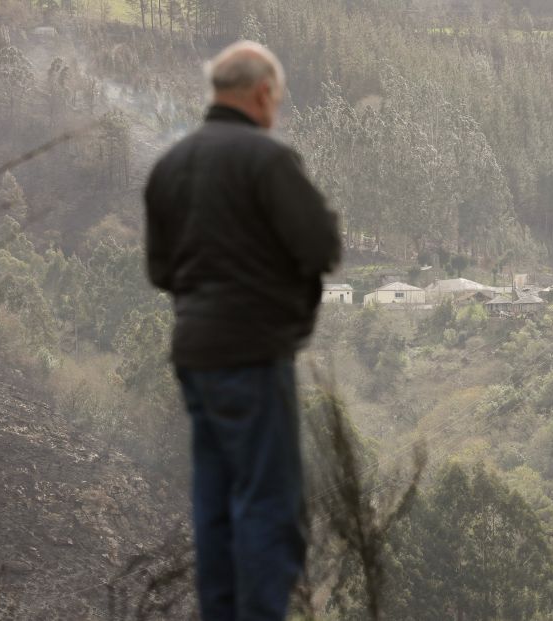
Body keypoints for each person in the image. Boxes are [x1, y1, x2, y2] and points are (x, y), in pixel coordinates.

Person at [144, 41, 340, 621]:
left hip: (195, 356)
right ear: (261, 93)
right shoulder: (268, 162)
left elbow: (160, 270)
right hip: (253, 353)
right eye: (276, 98)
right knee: (268, 503)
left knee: (215, 501)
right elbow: (320, 246)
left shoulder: (170, 165)